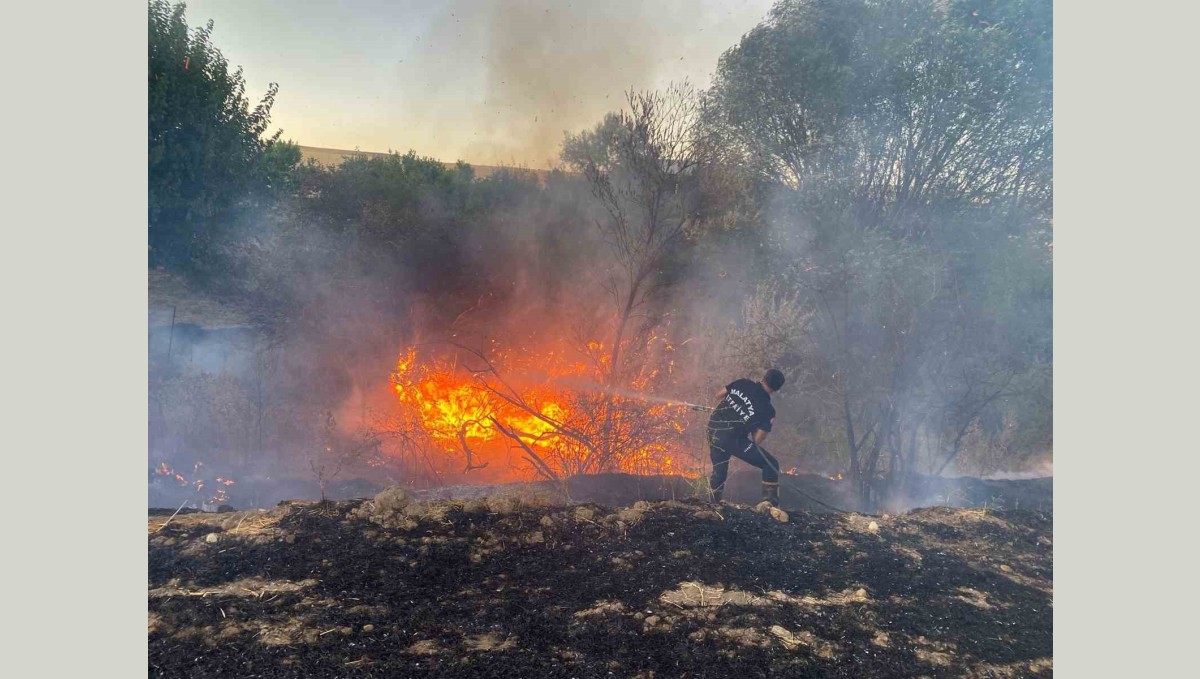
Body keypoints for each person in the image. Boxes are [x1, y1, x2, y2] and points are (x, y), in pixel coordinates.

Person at [707, 369, 785, 506]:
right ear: (776, 389)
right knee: (771, 464)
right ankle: (769, 506)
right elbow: (757, 440)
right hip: (731, 439)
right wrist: (763, 424)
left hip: (713, 429)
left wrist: (735, 405)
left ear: (763, 378)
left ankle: (713, 504)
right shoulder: (768, 410)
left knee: (719, 470)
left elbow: (719, 395)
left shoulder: (743, 383)